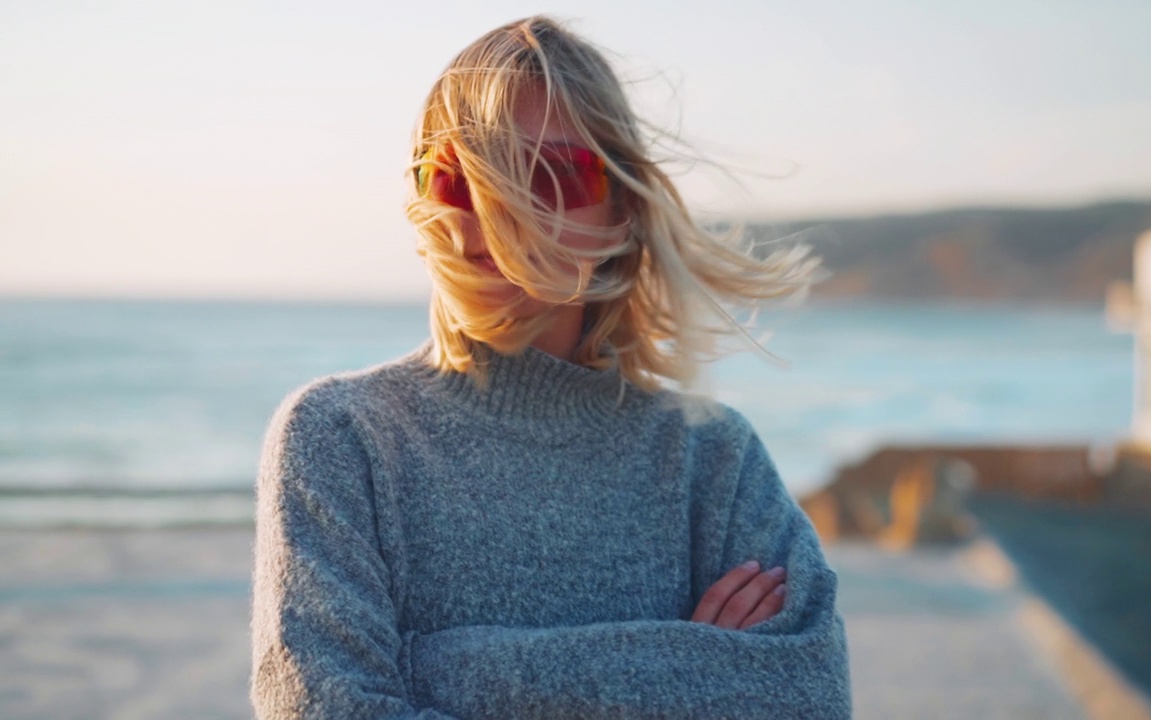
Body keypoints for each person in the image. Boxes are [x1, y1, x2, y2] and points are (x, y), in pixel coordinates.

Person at [250, 15, 852, 719]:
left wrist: (443, 669)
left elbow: (807, 700)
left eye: (553, 175)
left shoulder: (711, 458)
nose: (501, 208)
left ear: (622, 212)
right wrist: (682, 671)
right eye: (459, 175)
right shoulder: (342, 438)